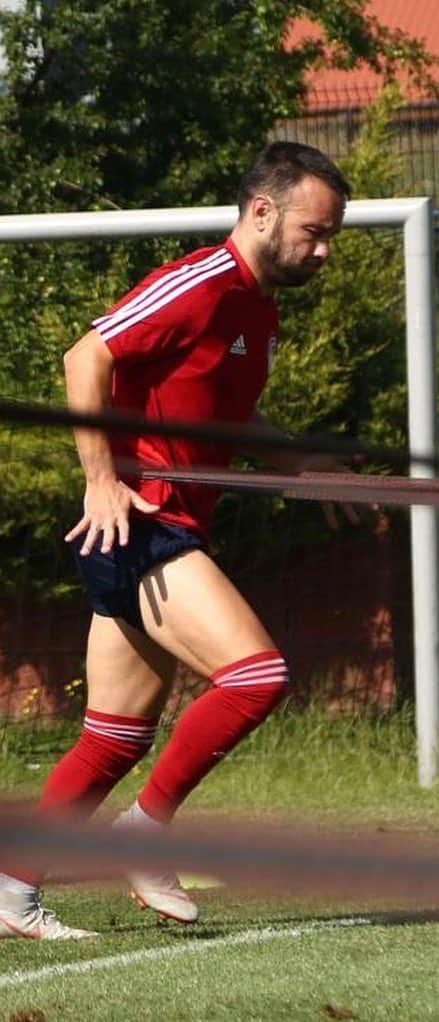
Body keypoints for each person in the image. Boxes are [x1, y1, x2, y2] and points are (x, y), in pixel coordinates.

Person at [0, 141, 351, 939]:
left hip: (159, 525)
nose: (324, 251)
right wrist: (99, 477)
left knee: (112, 740)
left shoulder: (256, 310)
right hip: (140, 521)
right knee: (258, 676)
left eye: (331, 235)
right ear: (261, 212)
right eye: (313, 231)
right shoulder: (202, 282)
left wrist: (306, 465)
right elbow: (85, 355)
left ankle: (11, 892)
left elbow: (229, 416)